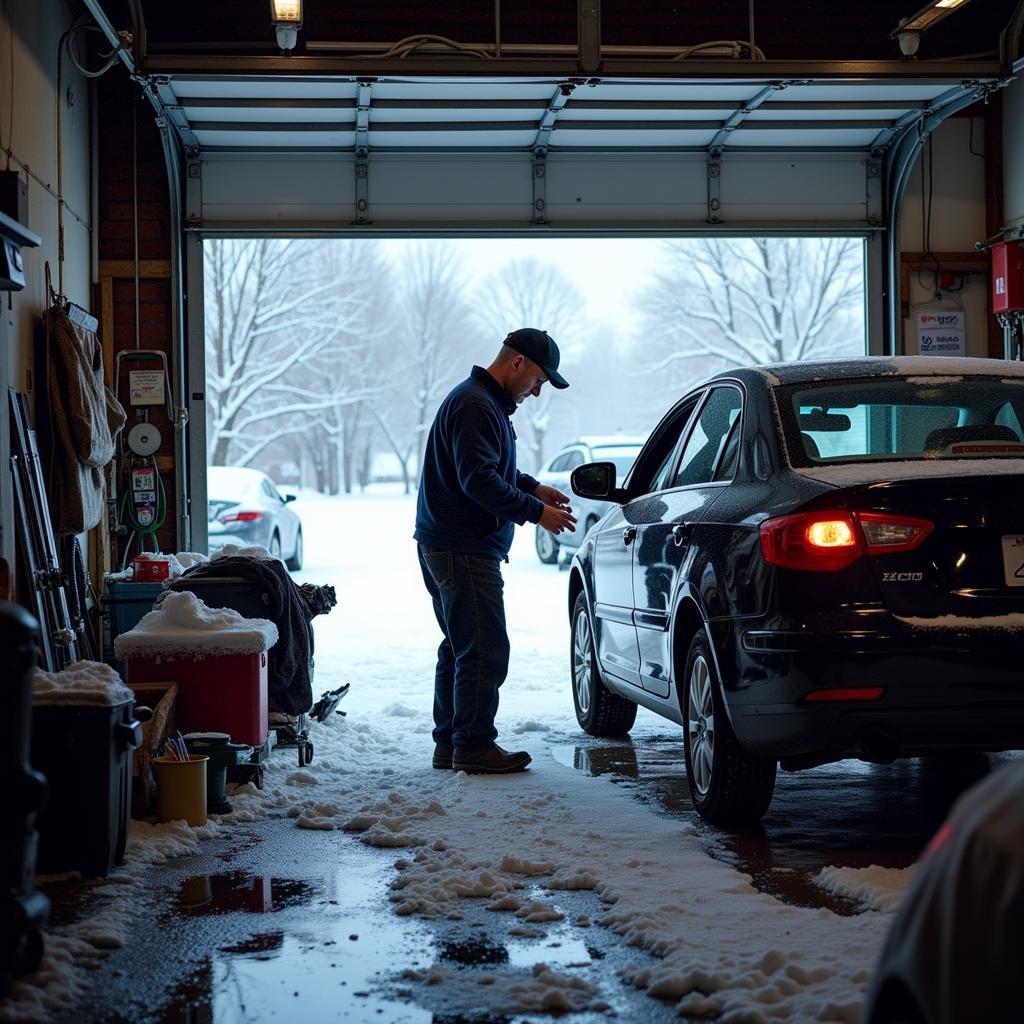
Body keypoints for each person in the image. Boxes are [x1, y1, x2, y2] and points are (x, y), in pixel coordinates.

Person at [414, 328, 577, 774]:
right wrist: (536, 512)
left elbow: (490, 466)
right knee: (484, 649)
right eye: (539, 380)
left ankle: (450, 743)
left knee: (461, 646)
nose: (538, 392)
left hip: (446, 543)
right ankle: (473, 745)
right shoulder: (475, 405)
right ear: (518, 362)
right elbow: (479, 481)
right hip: (461, 548)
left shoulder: (480, 402)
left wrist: (532, 486)